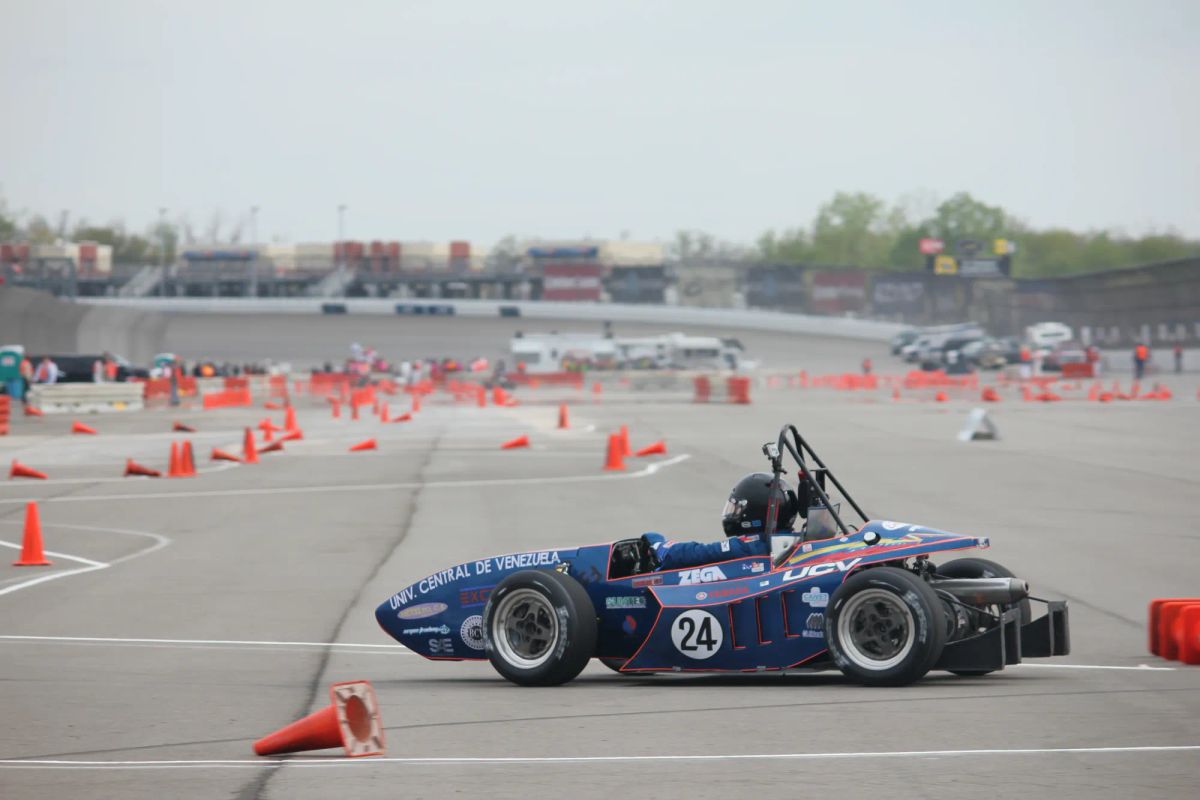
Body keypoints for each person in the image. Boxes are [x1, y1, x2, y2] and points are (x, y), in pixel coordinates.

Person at [643, 473, 798, 571]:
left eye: (738, 509)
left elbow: (700, 553)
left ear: (755, 515)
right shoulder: (793, 540)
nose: (733, 514)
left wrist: (660, 548)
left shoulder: (751, 545)